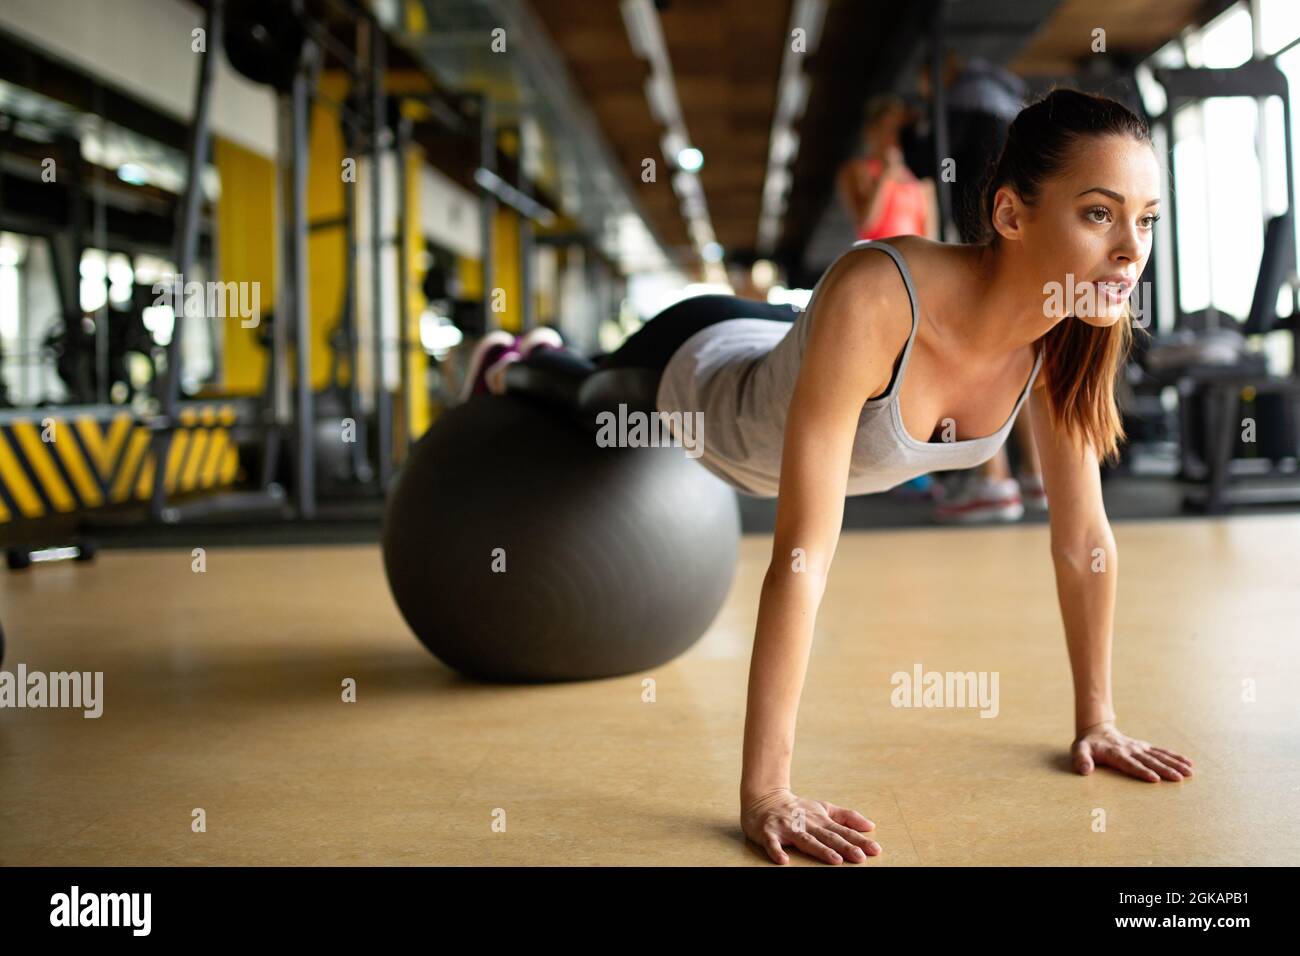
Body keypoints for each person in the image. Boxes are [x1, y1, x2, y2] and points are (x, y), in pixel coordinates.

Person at [461, 88, 1194, 865]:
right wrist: (765, 794)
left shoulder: (1064, 333)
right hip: (702, 376)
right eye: (1098, 214)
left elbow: (1083, 539)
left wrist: (1098, 720)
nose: (1130, 249)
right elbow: (801, 561)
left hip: (801, 350)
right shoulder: (883, 296)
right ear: (1012, 216)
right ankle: (520, 362)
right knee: (588, 397)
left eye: (1145, 219)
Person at [901, 51, 1049, 523]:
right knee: (1020, 359)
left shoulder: (961, 105)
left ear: (937, 77)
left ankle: (994, 483)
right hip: (1027, 249)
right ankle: (1038, 478)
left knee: (975, 357)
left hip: (986, 248)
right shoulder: (1011, 104)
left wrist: (904, 133)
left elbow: (928, 162)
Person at [837, 94, 934, 242]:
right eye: (888, 128)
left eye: (899, 129)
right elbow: (865, 223)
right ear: (871, 131)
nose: (894, 136)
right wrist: (885, 176)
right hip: (878, 256)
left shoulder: (920, 176)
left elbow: (930, 235)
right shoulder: (856, 170)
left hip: (912, 260)